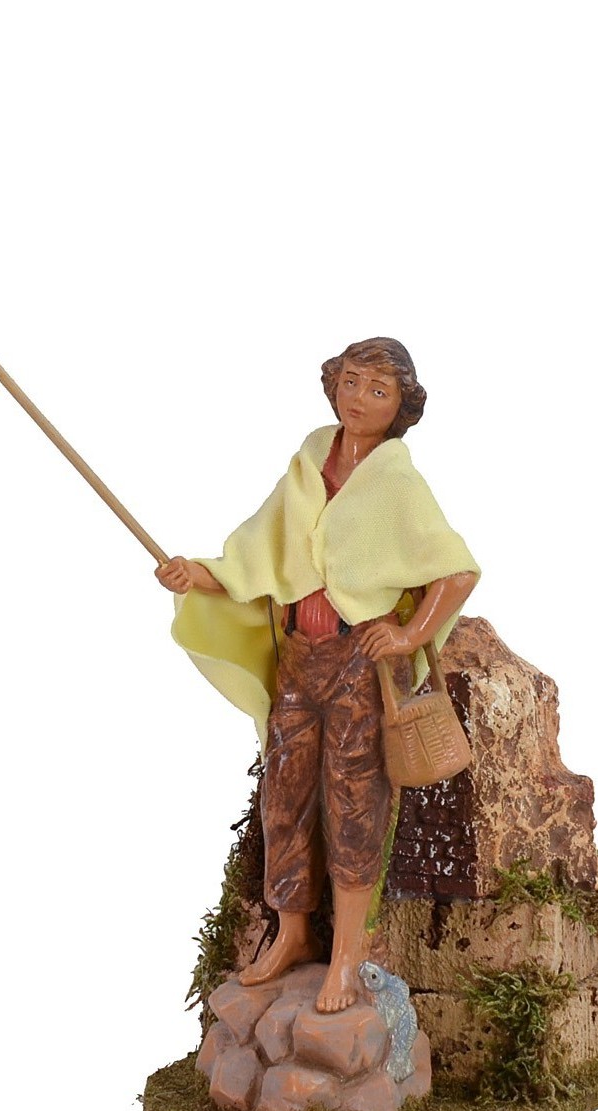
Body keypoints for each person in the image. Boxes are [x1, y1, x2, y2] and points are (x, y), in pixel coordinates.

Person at [156, 337, 479, 1013]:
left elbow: (456, 571)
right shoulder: (308, 467)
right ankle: (292, 931)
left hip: (360, 664)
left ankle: (348, 953)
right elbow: (257, 554)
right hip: (300, 659)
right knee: (285, 796)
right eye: (351, 382)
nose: (358, 399)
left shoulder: (396, 483)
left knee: (355, 804)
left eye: (378, 391)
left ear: (401, 407)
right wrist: (198, 574)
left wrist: (408, 635)